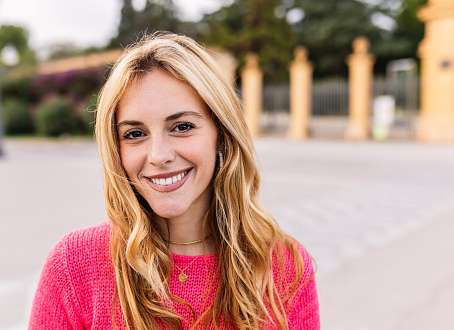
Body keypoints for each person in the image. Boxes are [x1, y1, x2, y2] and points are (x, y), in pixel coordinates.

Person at [29, 32, 320, 330]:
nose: (158, 155)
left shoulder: (285, 267)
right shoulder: (74, 266)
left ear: (222, 134)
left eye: (182, 126)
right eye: (134, 134)